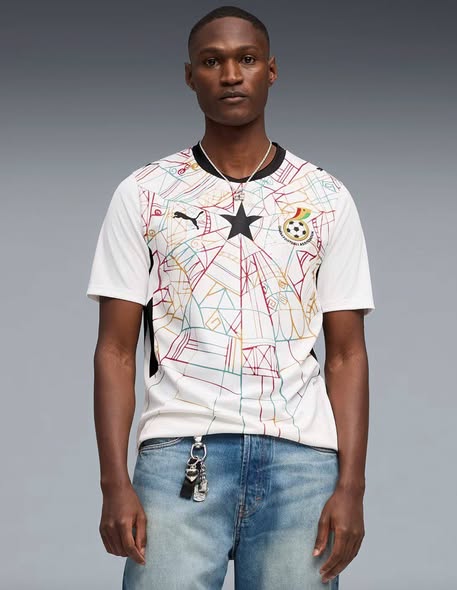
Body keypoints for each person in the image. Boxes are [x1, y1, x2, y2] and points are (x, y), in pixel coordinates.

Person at [86, 5, 375, 589]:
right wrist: (114, 483)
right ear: (189, 75)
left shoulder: (326, 197)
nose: (231, 75)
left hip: (302, 462)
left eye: (246, 59)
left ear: (272, 70)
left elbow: (347, 355)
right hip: (179, 456)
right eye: (212, 61)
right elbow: (114, 351)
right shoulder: (144, 193)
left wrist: (351, 487)